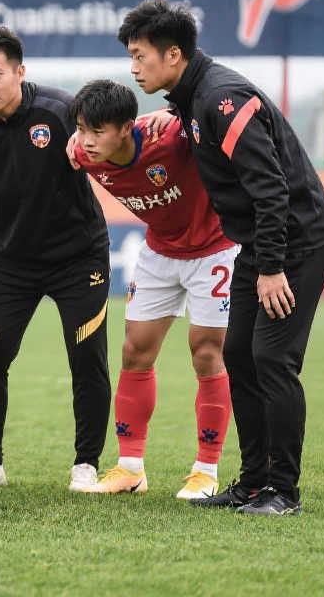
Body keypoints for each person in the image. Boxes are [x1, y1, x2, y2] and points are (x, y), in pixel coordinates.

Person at [117, 0, 324, 515]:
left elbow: (271, 188)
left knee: (272, 360)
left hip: (298, 242)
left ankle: (283, 492)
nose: (134, 68)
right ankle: (253, 483)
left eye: (140, 55)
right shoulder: (193, 96)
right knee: (237, 354)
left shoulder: (221, 98)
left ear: (173, 55)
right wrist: (168, 114)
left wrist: (272, 268)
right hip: (259, 244)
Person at [0, 26, 111, 492]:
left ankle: (86, 464)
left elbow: (115, 141)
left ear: (20, 72)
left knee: (87, 359)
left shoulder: (61, 111)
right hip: (11, 263)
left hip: (80, 258)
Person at [67, 79, 237, 499]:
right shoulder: (81, 154)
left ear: (127, 128)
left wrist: (177, 113)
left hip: (214, 249)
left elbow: (212, 118)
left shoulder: (169, 137)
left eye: (97, 131)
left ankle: (206, 471)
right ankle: (130, 469)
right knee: (135, 351)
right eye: (82, 129)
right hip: (159, 252)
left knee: (206, 353)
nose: (86, 141)